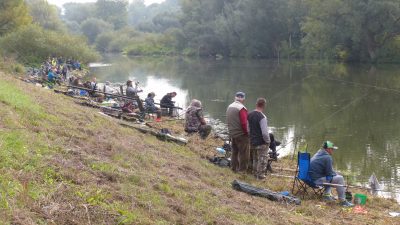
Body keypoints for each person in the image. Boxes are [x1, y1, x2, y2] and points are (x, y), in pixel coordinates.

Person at [309, 141, 354, 207]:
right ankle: (343, 201)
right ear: (328, 149)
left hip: (310, 178)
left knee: (334, 175)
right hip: (316, 181)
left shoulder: (318, 153)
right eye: (332, 149)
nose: (333, 151)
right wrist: (336, 174)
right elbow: (329, 173)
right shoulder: (327, 157)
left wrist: (335, 173)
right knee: (340, 178)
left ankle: (326, 195)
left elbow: (327, 171)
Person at [226, 92, 249, 173]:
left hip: (232, 133)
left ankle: (233, 168)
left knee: (234, 152)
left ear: (235, 98)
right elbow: (244, 123)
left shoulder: (230, 106)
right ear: (243, 99)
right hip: (241, 134)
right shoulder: (242, 108)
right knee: (244, 153)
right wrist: (247, 133)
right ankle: (242, 170)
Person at [247, 98, 270, 179]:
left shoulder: (249, 114)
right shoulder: (262, 117)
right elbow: (264, 132)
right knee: (262, 159)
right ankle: (260, 176)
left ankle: (254, 173)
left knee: (255, 159)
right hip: (261, 142)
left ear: (256, 104)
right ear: (264, 105)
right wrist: (267, 141)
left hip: (252, 141)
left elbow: (248, 129)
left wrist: (251, 138)